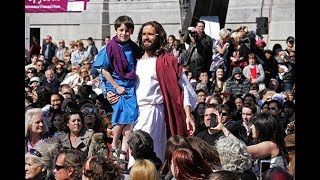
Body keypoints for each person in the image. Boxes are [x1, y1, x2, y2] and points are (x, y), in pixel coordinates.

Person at [107, 21, 197, 163]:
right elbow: (117, 79)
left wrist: (188, 114)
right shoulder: (134, 60)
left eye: (150, 34)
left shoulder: (166, 61)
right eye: (143, 34)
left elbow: (185, 88)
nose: (146, 37)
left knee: (147, 155)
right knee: (131, 155)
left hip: (154, 112)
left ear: (158, 36)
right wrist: (111, 93)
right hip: (132, 112)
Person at [93, 15, 142, 162]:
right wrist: (115, 87)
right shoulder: (110, 47)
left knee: (131, 121)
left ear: (131, 31)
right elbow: (104, 70)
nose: (123, 33)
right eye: (121, 30)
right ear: (116, 30)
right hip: (116, 86)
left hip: (129, 87)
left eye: (127, 30)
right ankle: (114, 147)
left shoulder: (133, 48)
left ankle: (123, 151)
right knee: (121, 118)